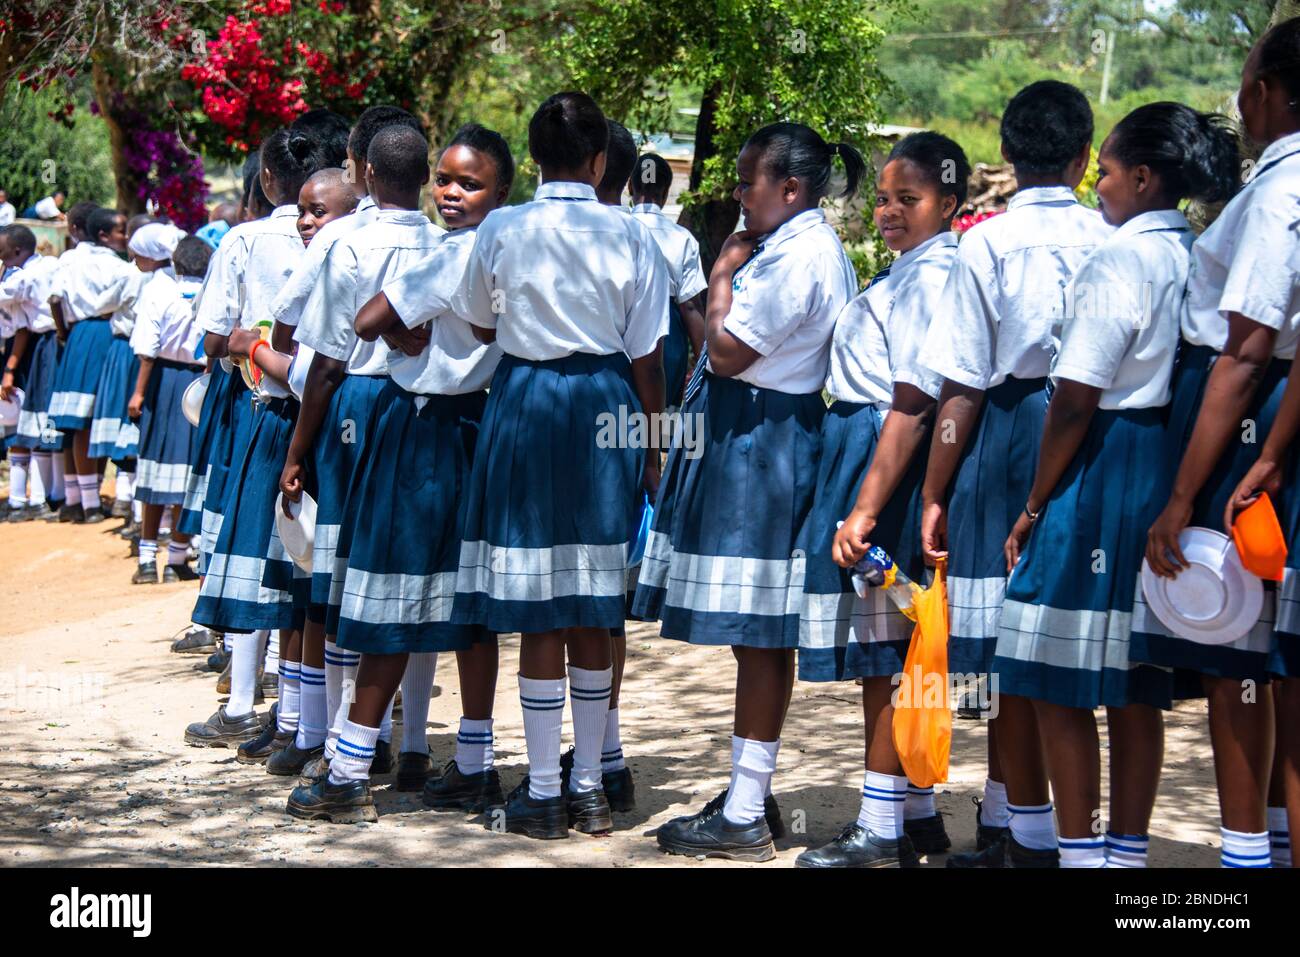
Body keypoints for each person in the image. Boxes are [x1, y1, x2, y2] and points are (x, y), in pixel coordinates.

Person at [994, 102, 1239, 868]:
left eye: (1104, 171)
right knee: (1136, 681)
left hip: (1100, 462)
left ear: (1141, 176)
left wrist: (1036, 502)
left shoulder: (1120, 258)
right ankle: (1124, 854)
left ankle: (1075, 851)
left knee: (1052, 672)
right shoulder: (1192, 252)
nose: (1096, 185)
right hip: (1162, 459)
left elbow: (1074, 397)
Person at [634, 123, 864, 862]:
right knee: (749, 631)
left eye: (746, 182)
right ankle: (747, 792)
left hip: (764, 444)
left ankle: (742, 812)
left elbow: (728, 352)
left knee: (760, 631)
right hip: (747, 435)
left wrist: (725, 270)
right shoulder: (792, 245)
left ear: (790, 190)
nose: (738, 194)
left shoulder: (800, 255)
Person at [447, 92, 666, 840]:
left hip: (526, 402)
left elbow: (479, 319)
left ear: (532, 157)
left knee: (540, 600)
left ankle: (542, 793)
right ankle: (590, 787)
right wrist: (657, 443)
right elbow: (648, 352)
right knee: (594, 599)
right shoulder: (634, 234)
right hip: (609, 403)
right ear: (601, 159)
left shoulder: (503, 227)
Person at [285, 124, 508, 822]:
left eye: (468, 182)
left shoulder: (452, 255)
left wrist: (393, 323)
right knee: (469, 603)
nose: (450, 191)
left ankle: (349, 766)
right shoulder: (510, 252)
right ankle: (472, 759)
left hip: (423, 431)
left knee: (388, 597)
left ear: (500, 190)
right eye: (445, 178)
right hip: (481, 426)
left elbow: (365, 317)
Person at [917, 81, 1113, 868]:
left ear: (1005, 153)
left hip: (1003, 434)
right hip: (1095, 433)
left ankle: (1020, 830)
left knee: (1000, 643)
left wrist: (935, 487)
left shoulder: (985, 243)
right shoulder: (1112, 236)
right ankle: (1068, 839)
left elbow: (961, 382)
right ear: (1083, 159)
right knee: (1060, 646)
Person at [1131, 18, 1300, 869]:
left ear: (1265, 93)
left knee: (1237, 640)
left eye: (1244, 82)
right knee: (1276, 654)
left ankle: (1242, 861)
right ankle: (1265, 839)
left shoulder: (1278, 193)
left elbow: (1242, 349)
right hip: (1276, 417)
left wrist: (1182, 495)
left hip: (1243, 411)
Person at [802, 131, 969, 867]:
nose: (889, 211)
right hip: (879, 452)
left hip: (888, 461)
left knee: (885, 650)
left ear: (950, 203)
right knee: (908, 643)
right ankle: (920, 811)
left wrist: (867, 505)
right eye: (882, 197)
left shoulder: (933, 278)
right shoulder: (916, 269)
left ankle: (879, 824)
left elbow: (913, 401)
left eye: (910, 198)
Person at [270, 106, 425, 785]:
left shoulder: (345, 242)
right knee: (406, 580)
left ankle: (338, 738)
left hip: (353, 410)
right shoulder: (454, 244)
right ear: (427, 176)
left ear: (363, 174)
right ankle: (396, 735)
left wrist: (298, 452)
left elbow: (321, 356)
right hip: (430, 419)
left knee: (338, 583)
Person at [184, 126, 332, 749]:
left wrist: (247, 340)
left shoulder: (244, 239)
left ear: (266, 179)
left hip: (266, 411)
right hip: (335, 417)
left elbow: (214, 337)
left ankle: (244, 701)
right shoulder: (345, 235)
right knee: (311, 563)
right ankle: (312, 710)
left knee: (254, 554)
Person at [128, 235, 212, 583]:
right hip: (197, 385)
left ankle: (147, 559)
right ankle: (177, 559)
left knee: (154, 465)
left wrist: (138, 393)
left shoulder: (159, 290)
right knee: (188, 470)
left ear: (175, 264)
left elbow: (147, 347)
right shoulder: (210, 293)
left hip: (162, 381)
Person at [48, 206, 135, 524]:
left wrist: (63, 333)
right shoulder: (118, 266)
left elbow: (55, 299)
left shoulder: (69, 260)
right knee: (95, 416)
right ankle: (92, 503)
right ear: (103, 234)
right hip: (105, 335)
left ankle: (77, 501)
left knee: (75, 420)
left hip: (77, 335)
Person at [628, 152, 707, 408]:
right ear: (666, 193)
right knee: (658, 420)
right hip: (667, 333)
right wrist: (706, 365)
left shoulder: (617, 228)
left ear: (630, 186)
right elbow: (691, 306)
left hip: (622, 323)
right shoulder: (682, 238)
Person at [0, 224, 65, 520]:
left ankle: (40, 498)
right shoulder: (49, 265)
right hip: (44, 343)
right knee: (32, 418)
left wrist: (10, 369)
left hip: (38, 346)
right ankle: (37, 497)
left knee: (34, 418)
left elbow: (22, 328)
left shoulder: (21, 278)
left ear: (14, 251)